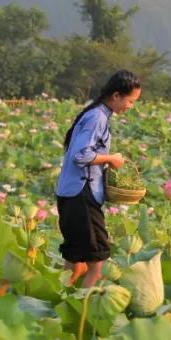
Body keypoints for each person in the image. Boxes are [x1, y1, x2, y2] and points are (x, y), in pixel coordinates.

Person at [56, 70, 142, 287]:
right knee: (98, 261)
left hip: (68, 194)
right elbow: (80, 155)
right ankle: (84, 312)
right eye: (130, 101)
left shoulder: (92, 113)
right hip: (82, 194)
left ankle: (61, 307)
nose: (130, 106)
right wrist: (111, 159)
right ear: (116, 96)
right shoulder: (97, 117)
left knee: (74, 260)